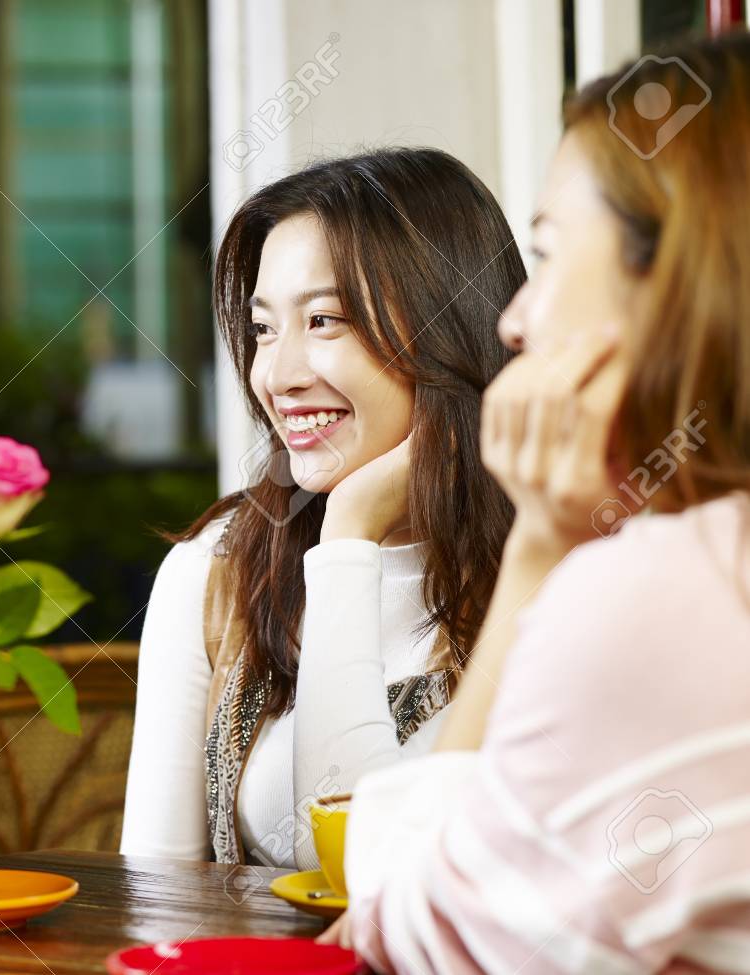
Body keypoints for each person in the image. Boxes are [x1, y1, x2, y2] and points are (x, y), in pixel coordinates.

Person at [336, 32, 750, 973]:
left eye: (552, 255)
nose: (516, 318)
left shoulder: (661, 587)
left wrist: (538, 552)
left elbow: (411, 939)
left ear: (682, 285)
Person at [121, 148, 526, 869]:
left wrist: (350, 531)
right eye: (266, 328)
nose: (277, 376)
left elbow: (354, 866)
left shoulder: (546, 576)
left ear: (449, 332)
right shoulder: (214, 571)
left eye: (326, 320)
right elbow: (156, 898)